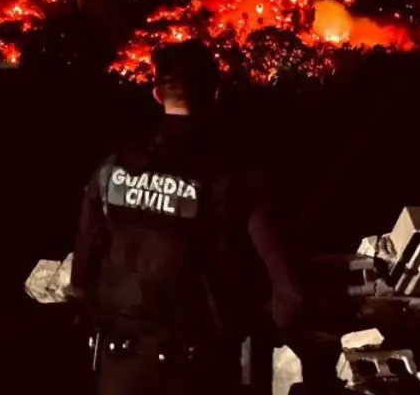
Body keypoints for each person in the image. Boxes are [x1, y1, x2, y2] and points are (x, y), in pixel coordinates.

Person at [68, 40, 306, 395]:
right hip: (198, 366)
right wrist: (273, 330)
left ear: (158, 95)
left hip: (121, 362)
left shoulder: (114, 167)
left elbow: (82, 269)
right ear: (214, 93)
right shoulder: (234, 176)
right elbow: (288, 288)